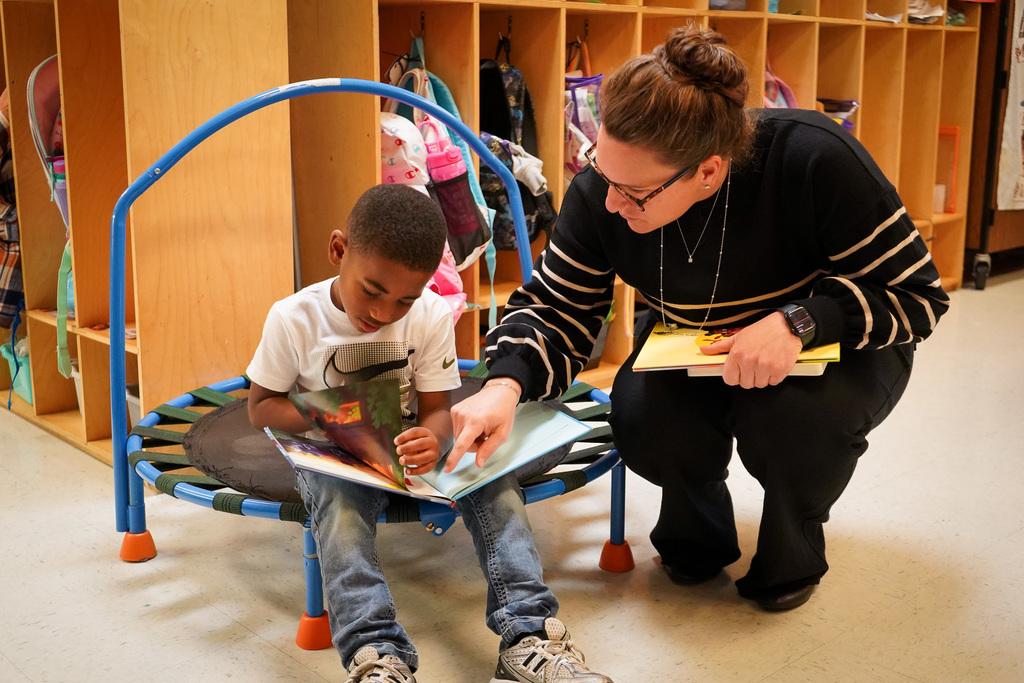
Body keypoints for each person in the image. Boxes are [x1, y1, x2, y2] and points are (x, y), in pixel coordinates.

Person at [448, 25, 950, 613]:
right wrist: (504, 385)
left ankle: (792, 549)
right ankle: (698, 531)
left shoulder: (814, 157)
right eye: (600, 171)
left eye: (633, 193)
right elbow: (559, 307)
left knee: (790, 425)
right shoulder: (606, 189)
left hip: (835, 342)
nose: (610, 202)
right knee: (644, 415)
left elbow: (918, 295)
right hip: (696, 342)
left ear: (707, 172)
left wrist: (801, 322)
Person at [245, 183, 612, 683]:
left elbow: (439, 409)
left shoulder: (430, 315)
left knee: (493, 481)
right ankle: (376, 653)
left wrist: (436, 440)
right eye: (372, 290)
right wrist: (334, 414)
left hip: (406, 447)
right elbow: (260, 408)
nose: (383, 313)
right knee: (342, 512)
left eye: (404, 300)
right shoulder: (293, 319)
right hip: (333, 452)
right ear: (338, 251)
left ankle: (529, 638)